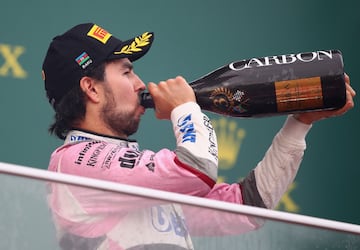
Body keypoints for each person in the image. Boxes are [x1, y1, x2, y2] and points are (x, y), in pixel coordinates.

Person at [42, 23, 355, 249]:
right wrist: (184, 107)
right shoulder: (73, 163)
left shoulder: (127, 179)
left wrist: (299, 123)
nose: (141, 84)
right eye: (126, 72)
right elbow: (196, 169)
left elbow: (247, 208)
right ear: (91, 88)